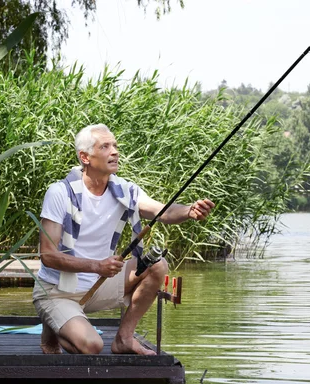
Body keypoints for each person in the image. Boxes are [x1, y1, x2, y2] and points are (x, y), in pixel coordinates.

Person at [33, 124, 215, 355]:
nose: (115, 151)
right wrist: (96, 265)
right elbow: (48, 256)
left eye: (115, 146)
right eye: (105, 146)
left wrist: (189, 210)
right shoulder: (59, 193)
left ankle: (124, 338)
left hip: (98, 286)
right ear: (85, 157)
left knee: (157, 265)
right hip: (58, 290)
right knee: (92, 347)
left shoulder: (124, 190)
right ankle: (54, 324)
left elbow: (163, 212)